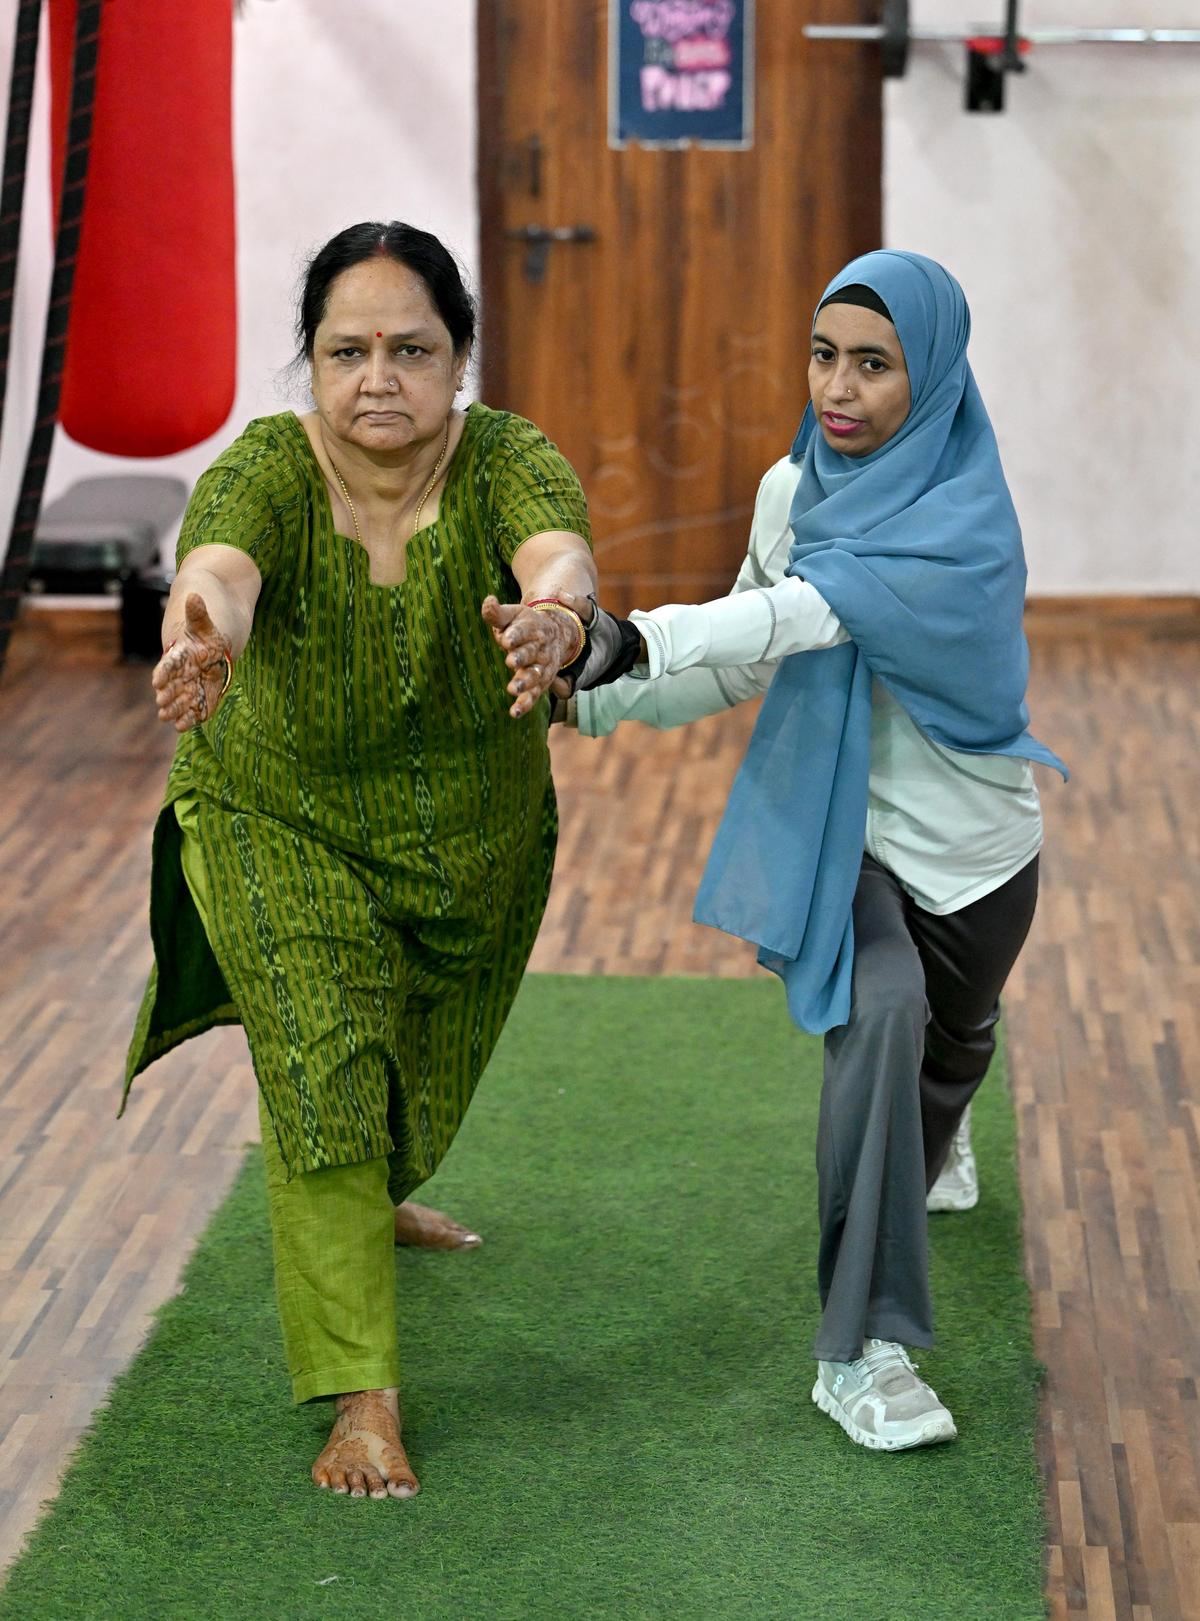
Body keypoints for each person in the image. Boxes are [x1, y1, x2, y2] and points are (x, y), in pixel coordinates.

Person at [511, 249, 1067, 1451]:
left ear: (935, 375)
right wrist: (586, 694)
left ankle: (944, 1107)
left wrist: (617, 638)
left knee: (952, 1038)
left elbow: (807, 611)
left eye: (874, 363)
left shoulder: (966, 514)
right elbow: (750, 655)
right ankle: (860, 1353)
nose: (839, 388)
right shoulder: (790, 489)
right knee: (880, 1019)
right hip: (846, 838)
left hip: (979, 857)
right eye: (824, 355)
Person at [124, 221, 601, 1500]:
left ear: (459, 360)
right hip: (279, 814)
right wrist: (206, 634)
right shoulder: (272, 464)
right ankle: (362, 1401)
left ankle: (371, 1188)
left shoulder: (505, 454)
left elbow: (556, 547)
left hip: (475, 836)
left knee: (420, 1074)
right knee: (325, 1061)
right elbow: (219, 563)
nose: (378, 377)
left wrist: (559, 613)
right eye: (347, 350)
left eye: (410, 348)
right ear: (311, 361)